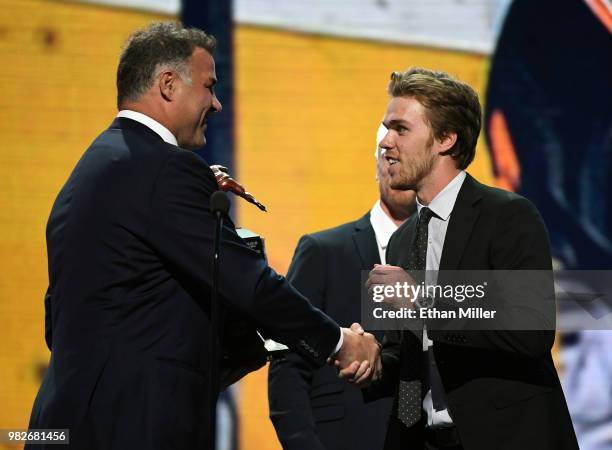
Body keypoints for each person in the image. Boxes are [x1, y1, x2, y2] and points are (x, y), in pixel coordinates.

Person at [26, 22, 379, 450]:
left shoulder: (92, 169)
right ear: (169, 85)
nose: (216, 103)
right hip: (131, 428)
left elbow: (60, 320)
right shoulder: (163, 168)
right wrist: (339, 343)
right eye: (209, 86)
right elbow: (248, 284)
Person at [343, 68, 578, 449]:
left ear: (446, 139)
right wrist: (372, 361)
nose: (385, 142)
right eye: (386, 129)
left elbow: (530, 329)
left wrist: (421, 302)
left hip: (505, 437)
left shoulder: (507, 215)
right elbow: (412, 357)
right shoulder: (404, 240)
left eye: (400, 129)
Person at [267, 134, 416, 450]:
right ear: (376, 166)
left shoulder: (449, 259)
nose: (399, 169)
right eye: (389, 158)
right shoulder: (324, 251)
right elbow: (287, 364)